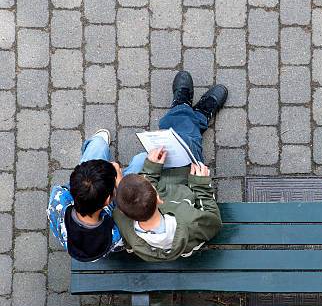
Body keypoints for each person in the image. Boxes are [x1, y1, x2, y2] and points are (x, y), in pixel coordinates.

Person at [113, 71, 227, 262]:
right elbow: (214, 220)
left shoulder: (122, 218)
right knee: (188, 141)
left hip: (168, 185)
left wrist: (150, 167)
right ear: (158, 198)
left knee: (182, 138)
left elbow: (140, 194)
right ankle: (188, 110)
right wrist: (201, 185)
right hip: (189, 186)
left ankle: (189, 112)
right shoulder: (190, 222)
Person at [47, 130, 148, 262]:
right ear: (108, 200)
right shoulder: (115, 234)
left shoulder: (58, 198)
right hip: (113, 210)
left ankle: (98, 145)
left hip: (90, 206)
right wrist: (122, 184)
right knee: (144, 160)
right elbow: (127, 217)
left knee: (99, 144)